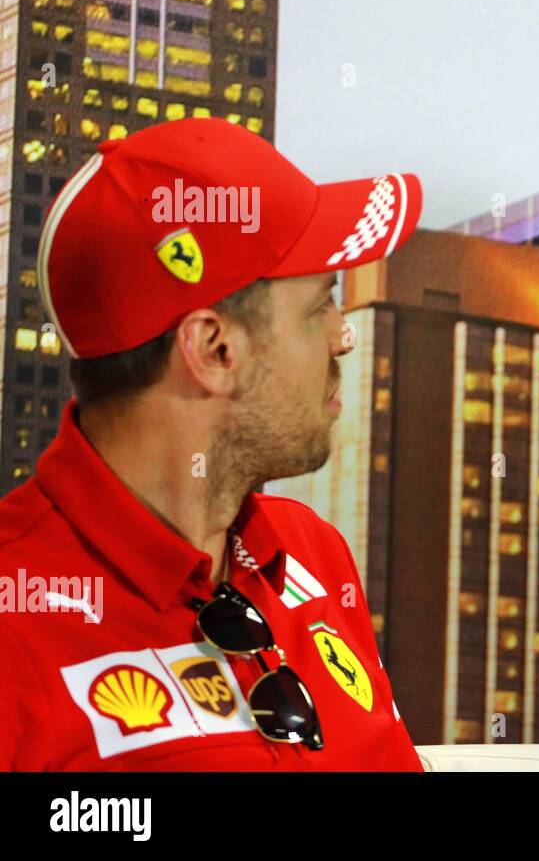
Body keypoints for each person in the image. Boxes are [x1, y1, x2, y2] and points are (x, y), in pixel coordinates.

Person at [0, 118, 425, 770]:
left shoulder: (314, 553)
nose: (344, 338)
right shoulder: (17, 623)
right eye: (319, 307)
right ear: (212, 348)